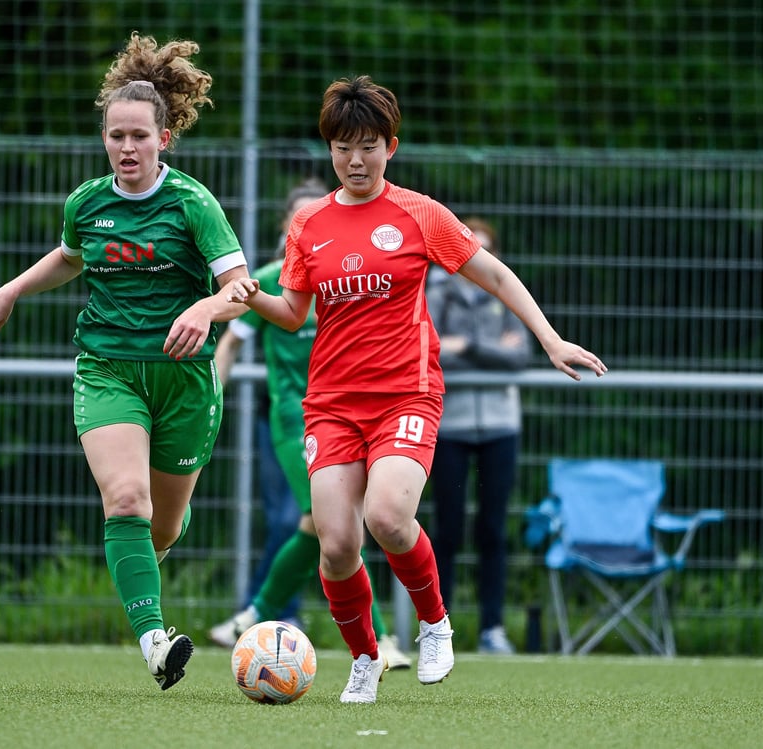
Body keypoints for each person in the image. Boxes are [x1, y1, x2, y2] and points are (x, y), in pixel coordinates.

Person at [224, 75, 606, 704]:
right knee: (337, 540)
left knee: (387, 517)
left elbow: (496, 276)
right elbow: (294, 313)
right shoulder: (309, 226)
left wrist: (550, 339)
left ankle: (435, 623)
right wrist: (252, 297)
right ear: (329, 150)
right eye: (344, 146)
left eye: (368, 145)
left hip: (407, 392)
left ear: (390, 148)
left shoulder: (419, 214)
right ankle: (366, 659)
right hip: (331, 404)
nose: (355, 159)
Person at [0, 32, 250, 692]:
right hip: (109, 368)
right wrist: (10, 290)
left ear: (164, 140)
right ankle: (156, 639)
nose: (127, 148)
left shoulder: (191, 202)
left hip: (185, 379)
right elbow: (72, 256)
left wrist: (203, 310)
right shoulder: (87, 202)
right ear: (104, 138)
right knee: (124, 498)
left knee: (163, 524)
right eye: (116, 135)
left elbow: (242, 286)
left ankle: (138, 584)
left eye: (139, 137)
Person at [208, 178, 412, 670]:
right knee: (330, 526)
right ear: (287, 227)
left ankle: (253, 614)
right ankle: (380, 641)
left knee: (324, 525)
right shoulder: (275, 277)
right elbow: (233, 338)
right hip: (294, 419)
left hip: (351, 414)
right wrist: (210, 397)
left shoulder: (350, 275)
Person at [425, 217, 531, 655]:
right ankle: (439, 626)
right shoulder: (436, 291)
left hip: (501, 427)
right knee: (446, 531)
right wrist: (491, 351)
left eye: (486, 248)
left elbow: (520, 357)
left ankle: (492, 628)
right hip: (450, 426)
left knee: (492, 530)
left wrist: (466, 347)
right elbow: (429, 352)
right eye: (471, 246)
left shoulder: (505, 295)